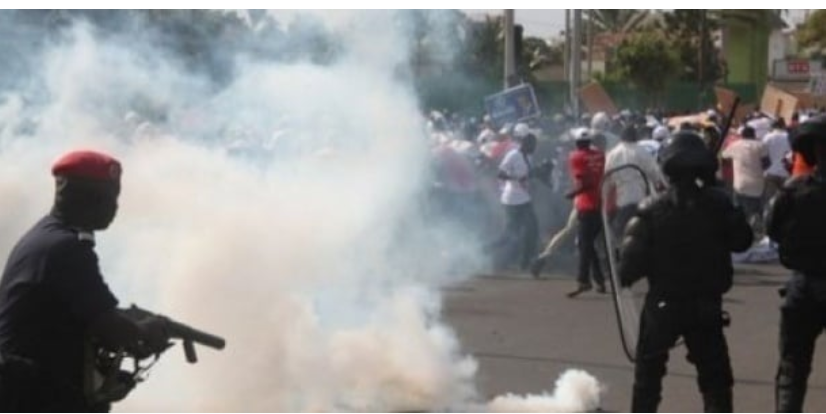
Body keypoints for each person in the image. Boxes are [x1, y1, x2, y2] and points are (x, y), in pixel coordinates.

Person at [0, 150, 169, 412]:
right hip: (35, 396)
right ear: (85, 198)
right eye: (108, 197)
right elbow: (111, 330)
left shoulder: (45, 236)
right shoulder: (68, 249)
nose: (114, 207)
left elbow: (78, 316)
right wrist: (147, 332)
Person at [619, 132, 753, 412]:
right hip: (705, 306)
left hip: (662, 305)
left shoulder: (651, 208)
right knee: (715, 379)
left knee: (648, 377)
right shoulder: (718, 205)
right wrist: (720, 196)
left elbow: (628, 268)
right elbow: (743, 241)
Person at [765, 115, 826, 412]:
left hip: (804, 288)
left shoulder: (792, 191)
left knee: (792, 370)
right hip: (805, 284)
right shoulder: (791, 190)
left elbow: (772, 229)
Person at [604, 125, 664, 239]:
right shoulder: (642, 151)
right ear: (635, 136)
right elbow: (655, 174)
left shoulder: (612, 154)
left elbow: (607, 180)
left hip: (622, 203)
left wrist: (605, 199)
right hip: (642, 201)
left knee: (621, 236)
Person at [566, 131, 606, 297]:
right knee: (588, 244)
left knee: (584, 244)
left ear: (576, 142)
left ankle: (583, 281)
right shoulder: (600, 155)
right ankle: (600, 281)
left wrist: (571, 193)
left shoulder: (576, 157)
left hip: (586, 204)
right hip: (600, 202)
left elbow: (584, 182)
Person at [491, 134, 539, 271]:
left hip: (525, 198)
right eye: (533, 145)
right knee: (508, 235)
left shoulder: (529, 157)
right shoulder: (513, 155)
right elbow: (500, 173)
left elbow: (527, 175)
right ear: (525, 144)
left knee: (532, 230)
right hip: (511, 200)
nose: (535, 148)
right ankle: (484, 251)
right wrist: (516, 178)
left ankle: (525, 262)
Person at [722, 126, 770, 236]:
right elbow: (767, 163)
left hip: (740, 184)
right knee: (758, 209)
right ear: (753, 135)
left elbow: (724, 158)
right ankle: (758, 231)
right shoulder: (760, 145)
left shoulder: (734, 145)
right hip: (758, 185)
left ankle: (741, 231)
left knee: (739, 210)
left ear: (742, 135)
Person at [762, 118, 791, 202]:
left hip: (770, 171)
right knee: (784, 199)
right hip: (785, 172)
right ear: (783, 125)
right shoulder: (789, 136)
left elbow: (763, 152)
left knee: (769, 199)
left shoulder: (767, 136)